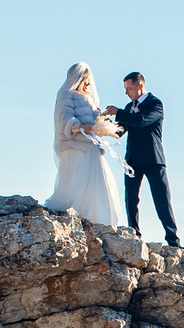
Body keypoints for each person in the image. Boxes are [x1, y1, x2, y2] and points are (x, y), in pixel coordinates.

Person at [45, 63, 125, 229]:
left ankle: (97, 220)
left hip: (91, 147)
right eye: (85, 80)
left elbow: (94, 119)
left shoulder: (89, 98)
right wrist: (80, 127)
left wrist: (102, 120)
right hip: (76, 147)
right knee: (79, 182)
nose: (88, 83)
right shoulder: (66, 95)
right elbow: (63, 121)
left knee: (96, 184)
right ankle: (77, 215)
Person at [110, 72, 180, 248]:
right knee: (131, 199)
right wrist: (100, 125)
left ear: (140, 86)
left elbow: (141, 121)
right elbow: (120, 130)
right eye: (125, 89)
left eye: (130, 89)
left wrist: (118, 112)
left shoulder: (155, 104)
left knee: (162, 199)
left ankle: (173, 240)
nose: (127, 93)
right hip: (132, 160)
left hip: (153, 159)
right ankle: (134, 234)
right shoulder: (128, 107)